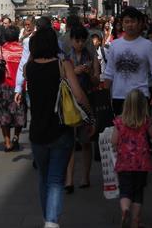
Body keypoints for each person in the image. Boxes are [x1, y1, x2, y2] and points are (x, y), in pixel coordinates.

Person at [25, 27, 92, 228]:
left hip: (37, 131)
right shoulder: (63, 65)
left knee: (43, 178)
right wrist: (90, 116)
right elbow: (79, 95)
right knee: (55, 180)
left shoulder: (29, 67)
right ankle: (51, 222)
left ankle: (49, 219)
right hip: (61, 129)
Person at [111, 89, 152, 228]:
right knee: (138, 192)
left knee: (125, 190)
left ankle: (125, 210)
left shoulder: (119, 121)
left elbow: (114, 141)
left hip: (124, 163)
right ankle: (135, 221)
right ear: (143, 106)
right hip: (142, 163)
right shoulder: (145, 121)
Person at [104, 7, 152, 118]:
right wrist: (105, 95)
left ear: (140, 23)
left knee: (141, 132)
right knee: (121, 132)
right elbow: (109, 72)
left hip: (140, 96)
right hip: (119, 96)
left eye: (133, 21)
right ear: (122, 23)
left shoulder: (147, 45)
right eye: (127, 22)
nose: (130, 25)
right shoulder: (115, 45)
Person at [64, 25, 99, 193]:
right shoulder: (66, 58)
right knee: (69, 142)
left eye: (82, 40)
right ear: (71, 40)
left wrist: (90, 74)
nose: (79, 43)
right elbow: (62, 79)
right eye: (76, 40)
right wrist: (74, 71)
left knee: (86, 142)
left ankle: (85, 176)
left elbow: (96, 80)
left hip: (87, 101)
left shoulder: (91, 56)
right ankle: (69, 179)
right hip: (70, 103)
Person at [0, 25, 26, 152]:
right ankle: (16, 137)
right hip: (19, 87)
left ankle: (7, 142)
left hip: (2, 86)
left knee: (3, 115)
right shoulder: (23, 50)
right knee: (19, 113)